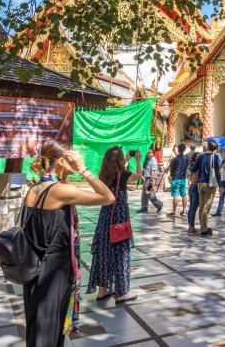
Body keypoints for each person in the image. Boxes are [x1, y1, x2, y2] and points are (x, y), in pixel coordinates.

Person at [22, 140, 113, 346]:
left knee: (40, 324)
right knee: (49, 328)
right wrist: (83, 169)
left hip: (37, 264)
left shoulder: (38, 186)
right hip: (53, 268)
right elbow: (108, 197)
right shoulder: (58, 191)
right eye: (73, 155)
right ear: (61, 161)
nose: (78, 157)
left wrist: (67, 173)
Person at [88, 147, 141, 305]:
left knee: (103, 253)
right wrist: (137, 159)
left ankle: (102, 291)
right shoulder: (123, 175)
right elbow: (139, 175)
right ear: (118, 161)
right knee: (120, 255)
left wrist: (125, 159)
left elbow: (116, 169)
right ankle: (121, 293)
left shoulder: (103, 176)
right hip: (119, 220)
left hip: (105, 219)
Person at [193, 140, 222, 237]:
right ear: (215, 149)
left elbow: (193, 168)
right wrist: (220, 185)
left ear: (208, 147)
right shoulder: (215, 157)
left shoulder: (201, 156)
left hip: (200, 184)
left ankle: (203, 226)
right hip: (210, 184)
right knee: (206, 207)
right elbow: (217, 173)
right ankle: (204, 229)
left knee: (201, 206)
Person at [167, 143, 189, 217]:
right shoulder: (186, 158)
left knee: (175, 196)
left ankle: (173, 211)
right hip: (183, 179)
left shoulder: (174, 159)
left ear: (178, 149)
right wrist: (175, 153)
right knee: (184, 195)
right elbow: (180, 159)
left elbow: (169, 167)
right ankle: (184, 211)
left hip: (176, 179)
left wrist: (164, 170)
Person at [186, 151, 201, 234]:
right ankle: (191, 226)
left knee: (191, 207)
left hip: (191, 186)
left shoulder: (191, 165)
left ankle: (190, 225)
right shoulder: (197, 167)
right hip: (195, 187)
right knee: (193, 208)